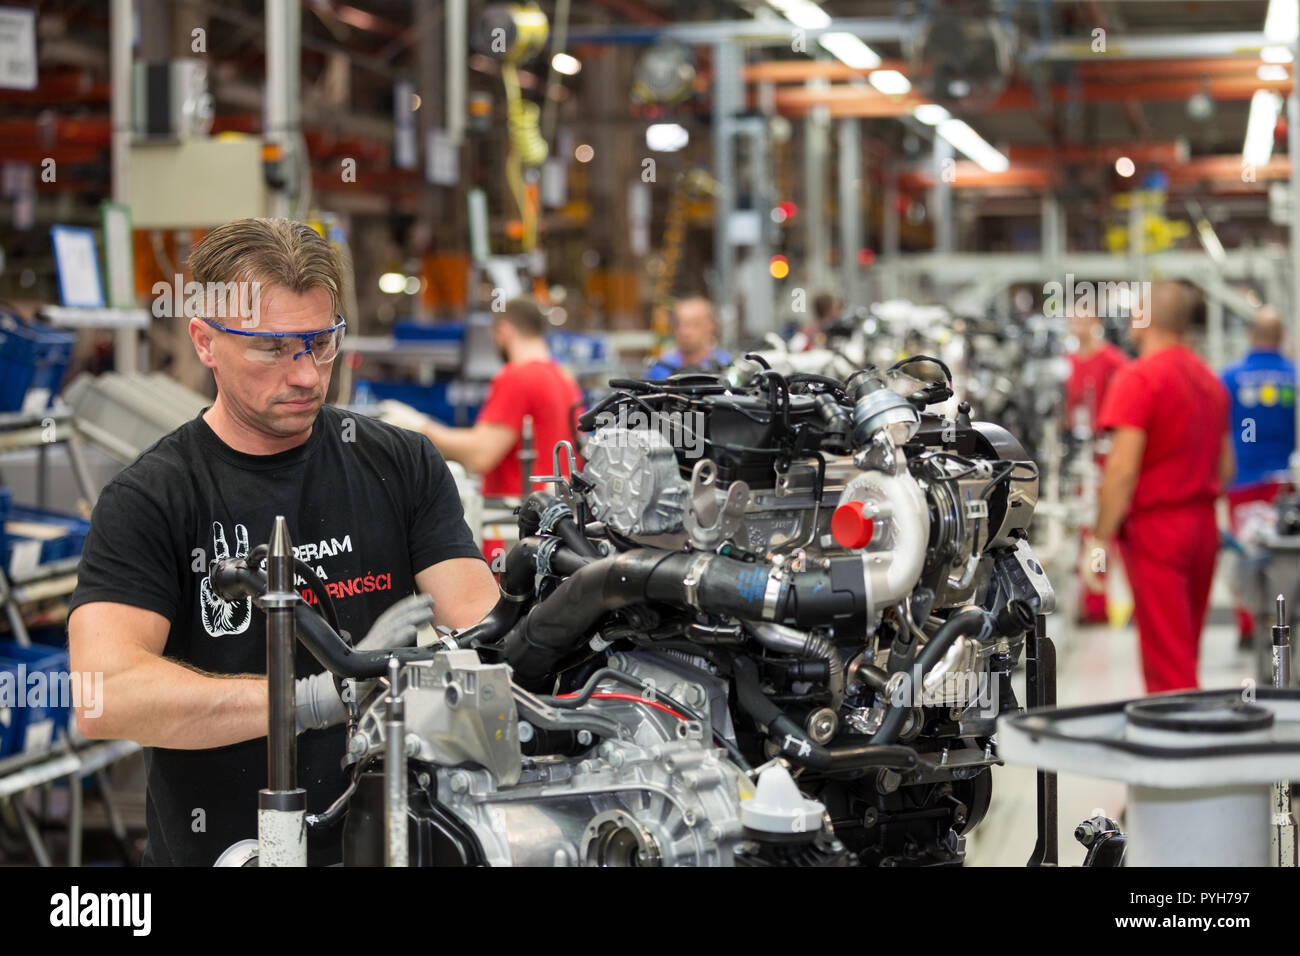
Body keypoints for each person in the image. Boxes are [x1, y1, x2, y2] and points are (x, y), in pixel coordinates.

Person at [67, 218, 499, 866]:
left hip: (390, 844)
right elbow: (104, 696)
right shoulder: (154, 497)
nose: (305, 375)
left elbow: (483, 636)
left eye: (320, 343)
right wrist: (313, 700)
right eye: (272, 349)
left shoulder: (400, 463)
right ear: (205, 341)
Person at [1089, 281, 1232, 694]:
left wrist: (1098, 542)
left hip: (1158, 532)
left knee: (1168, 669)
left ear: (1143, 318)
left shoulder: (1138, 378)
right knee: (1183, 651)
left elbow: (1121, 471)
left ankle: (1181, 746)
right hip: (1203, 527)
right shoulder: (1210, 381)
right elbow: (1226, 467)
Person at [383, 297, 584, 568]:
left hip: (516, 533)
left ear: (504, 331)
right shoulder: (565, 379)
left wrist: (418, 428)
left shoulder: (517, 377)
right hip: (556, 532)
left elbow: (480, 454)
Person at [1219, 305, 1297, 644]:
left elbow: (1219, 431)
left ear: (1250, 335)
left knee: (1246, 550)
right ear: (1281, 337)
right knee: (1287, 551)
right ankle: (1285, 617)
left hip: (1242, 477)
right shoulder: (1294, 377)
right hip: (1286, 480)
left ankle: (1249, 625)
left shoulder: (1229, 378)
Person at [1064, 304, 1128, 624]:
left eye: (1081, 318)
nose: (1076, 324)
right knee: (1076, 526)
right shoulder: (1065, 364)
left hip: (1106, 457)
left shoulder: (1114, 362)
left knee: (1101, 530)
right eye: (1072, 318)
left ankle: (1097, 602)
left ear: (1096, 322)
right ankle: (1081, 597)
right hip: (1074, 457)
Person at [645, 295, 731, 379]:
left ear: (711, 326)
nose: (684, 332)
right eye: (678, 324)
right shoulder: (661, 368)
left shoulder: (726, 367)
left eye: (694, 324)